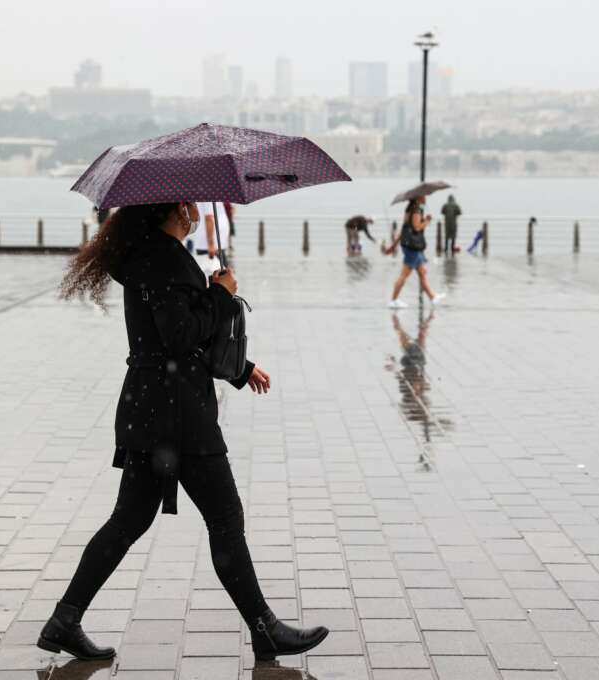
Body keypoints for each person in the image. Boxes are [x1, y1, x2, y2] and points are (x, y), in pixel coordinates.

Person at [47, 202, 328, 661]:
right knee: (225, 518)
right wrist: (221, 294)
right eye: (192, 203)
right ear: (180, 208)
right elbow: (180, 336)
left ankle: (65, 618)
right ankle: (265, 628)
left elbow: (177, 338)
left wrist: (240, 369)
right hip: (178, 417)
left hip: (153, 409)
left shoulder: (152, 254)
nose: (197, 209)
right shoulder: (163, 259)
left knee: (128, 521)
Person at [389, 197, 445, 308]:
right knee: (404, 275)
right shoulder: (416, 210)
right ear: (419, 198)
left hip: (410, 246)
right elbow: (417, 227)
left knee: (422, 273)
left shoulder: (410, 209)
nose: (425, 198)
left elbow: (405, 228)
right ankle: (393, 300)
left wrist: (393, 245)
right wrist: (427, 222)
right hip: (413, 247)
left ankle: (433, 297)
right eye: (424, 196)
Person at [186, 201, 231, 276]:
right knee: (219, 276)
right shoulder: (209, 197)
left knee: (221, 274)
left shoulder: (213, 195)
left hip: (215, 245)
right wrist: (211, 244)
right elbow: (209, 218)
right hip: (210, 246)